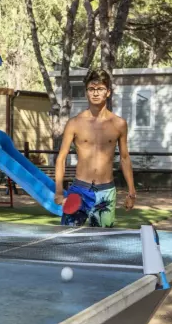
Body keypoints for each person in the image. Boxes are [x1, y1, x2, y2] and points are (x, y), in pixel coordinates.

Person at [54, 69, 136, 227]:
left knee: (102, 240)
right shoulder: (74, 123)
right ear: (86, 92)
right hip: (79, 190)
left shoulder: (119, 124)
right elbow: (61, 158)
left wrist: (131, 192)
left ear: (108, 92)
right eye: (91, 89)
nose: (96, 93)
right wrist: (58, 191)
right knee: (66, 237)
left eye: (100, 89)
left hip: (106, 192)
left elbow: (125, 158)